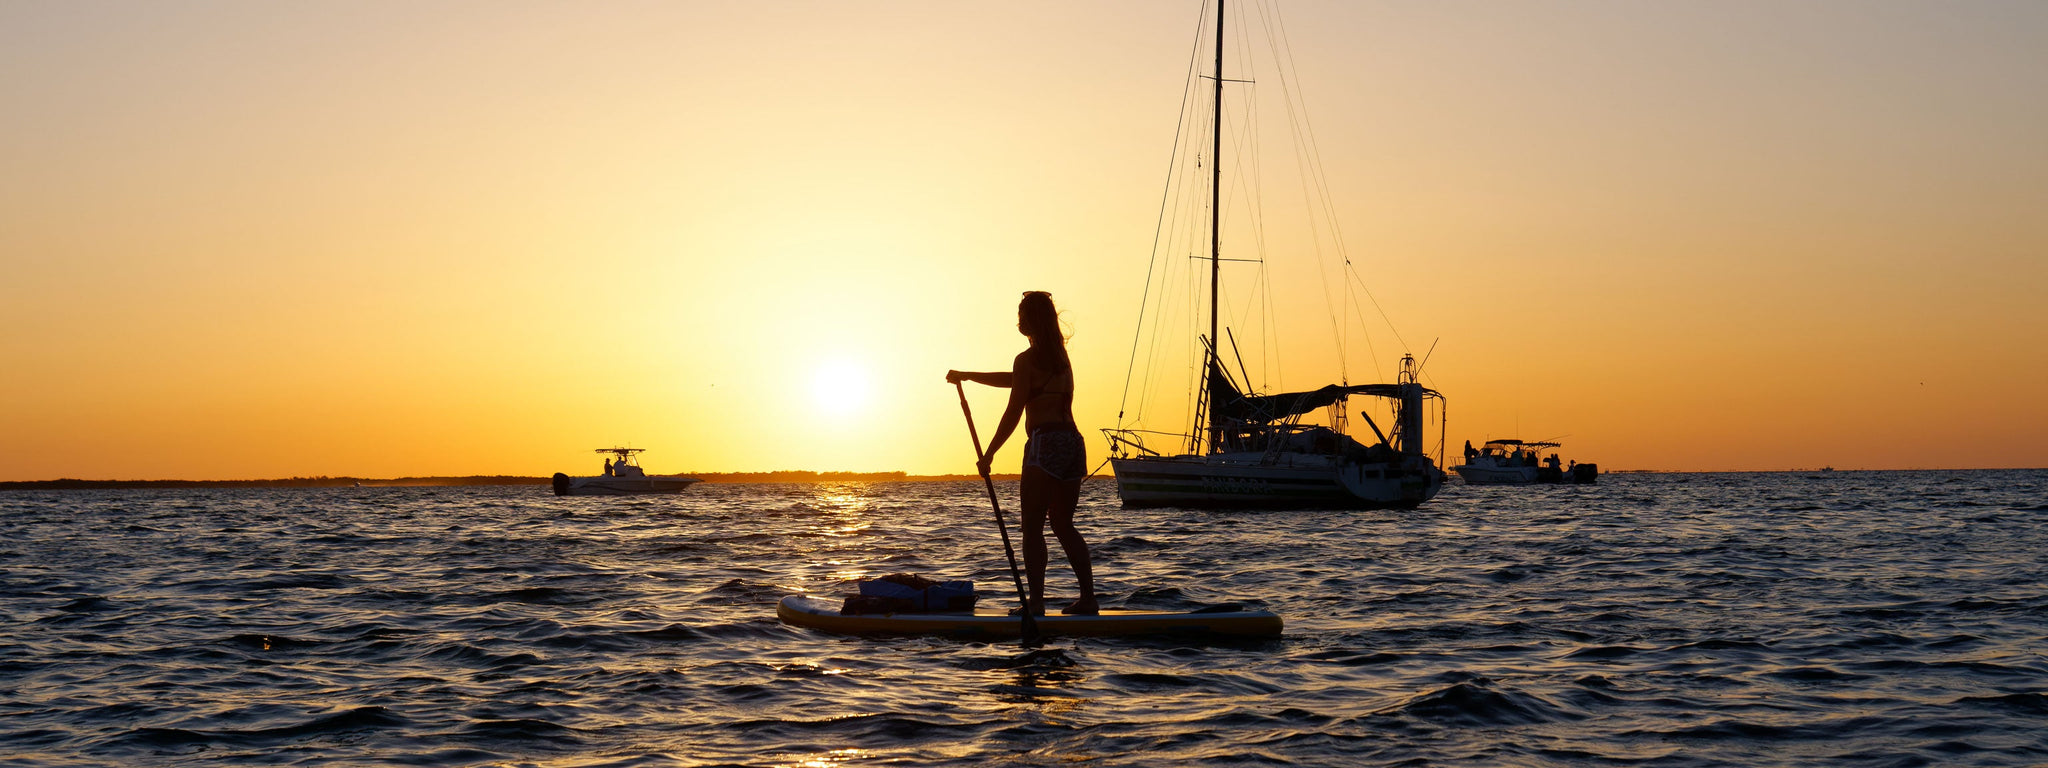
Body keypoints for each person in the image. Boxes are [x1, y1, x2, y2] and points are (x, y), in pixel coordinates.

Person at [947, 291, 1097, 616]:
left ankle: (1037, 604)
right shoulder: (1059, 359)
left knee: (1032, 526)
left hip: (1044, 445)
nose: (1018, 319)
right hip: (1072, 443)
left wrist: (988, 455)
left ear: (1030, 320)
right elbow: (1018, 382)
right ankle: (1088, 599)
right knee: (1062, 524)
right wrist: (970, 376)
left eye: (1021, 313)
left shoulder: (1026, 360)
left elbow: (1014, 410)